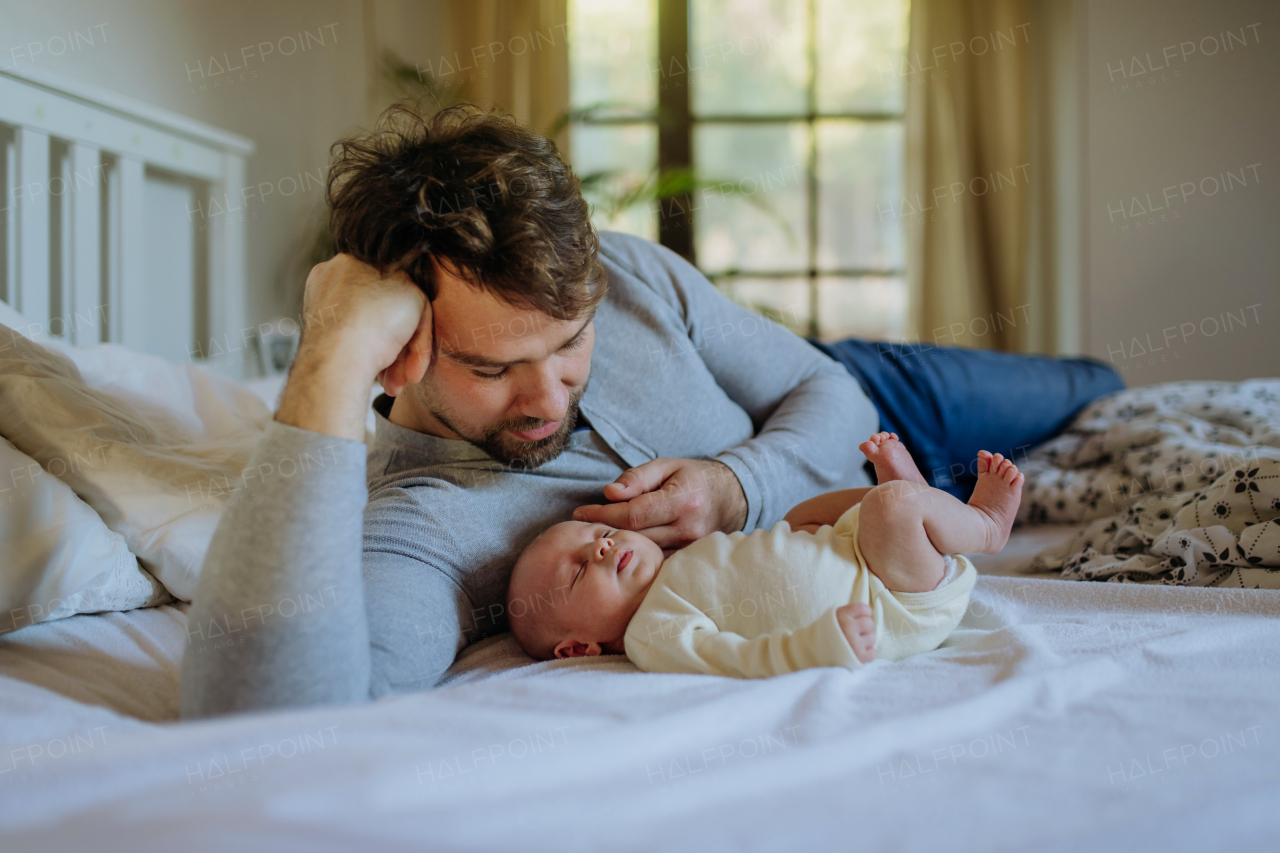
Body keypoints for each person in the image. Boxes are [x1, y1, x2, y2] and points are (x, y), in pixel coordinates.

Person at [180, 104, 1119, 718]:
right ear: (400, 348)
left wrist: (732, 485)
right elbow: (264, 718)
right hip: (893, 531)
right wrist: (326, 360)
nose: (548, 396)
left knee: (1097, 389)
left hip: (876, 395)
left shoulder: (624, 272)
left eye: (570, 343)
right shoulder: (422, 531)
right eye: (494, 366)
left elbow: (832, 393)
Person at [505, 433, 1021, 676]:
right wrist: (815, 647)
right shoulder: (651, 633)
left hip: (855, 555)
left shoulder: (677, 562)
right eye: (577, 571)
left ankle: (909, 503)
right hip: (892, 600)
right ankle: (984, 525)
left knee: (803, 515)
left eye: (602, 535)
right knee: (889, 506)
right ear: (577, 650)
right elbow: (736, 658)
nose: (602, 546)